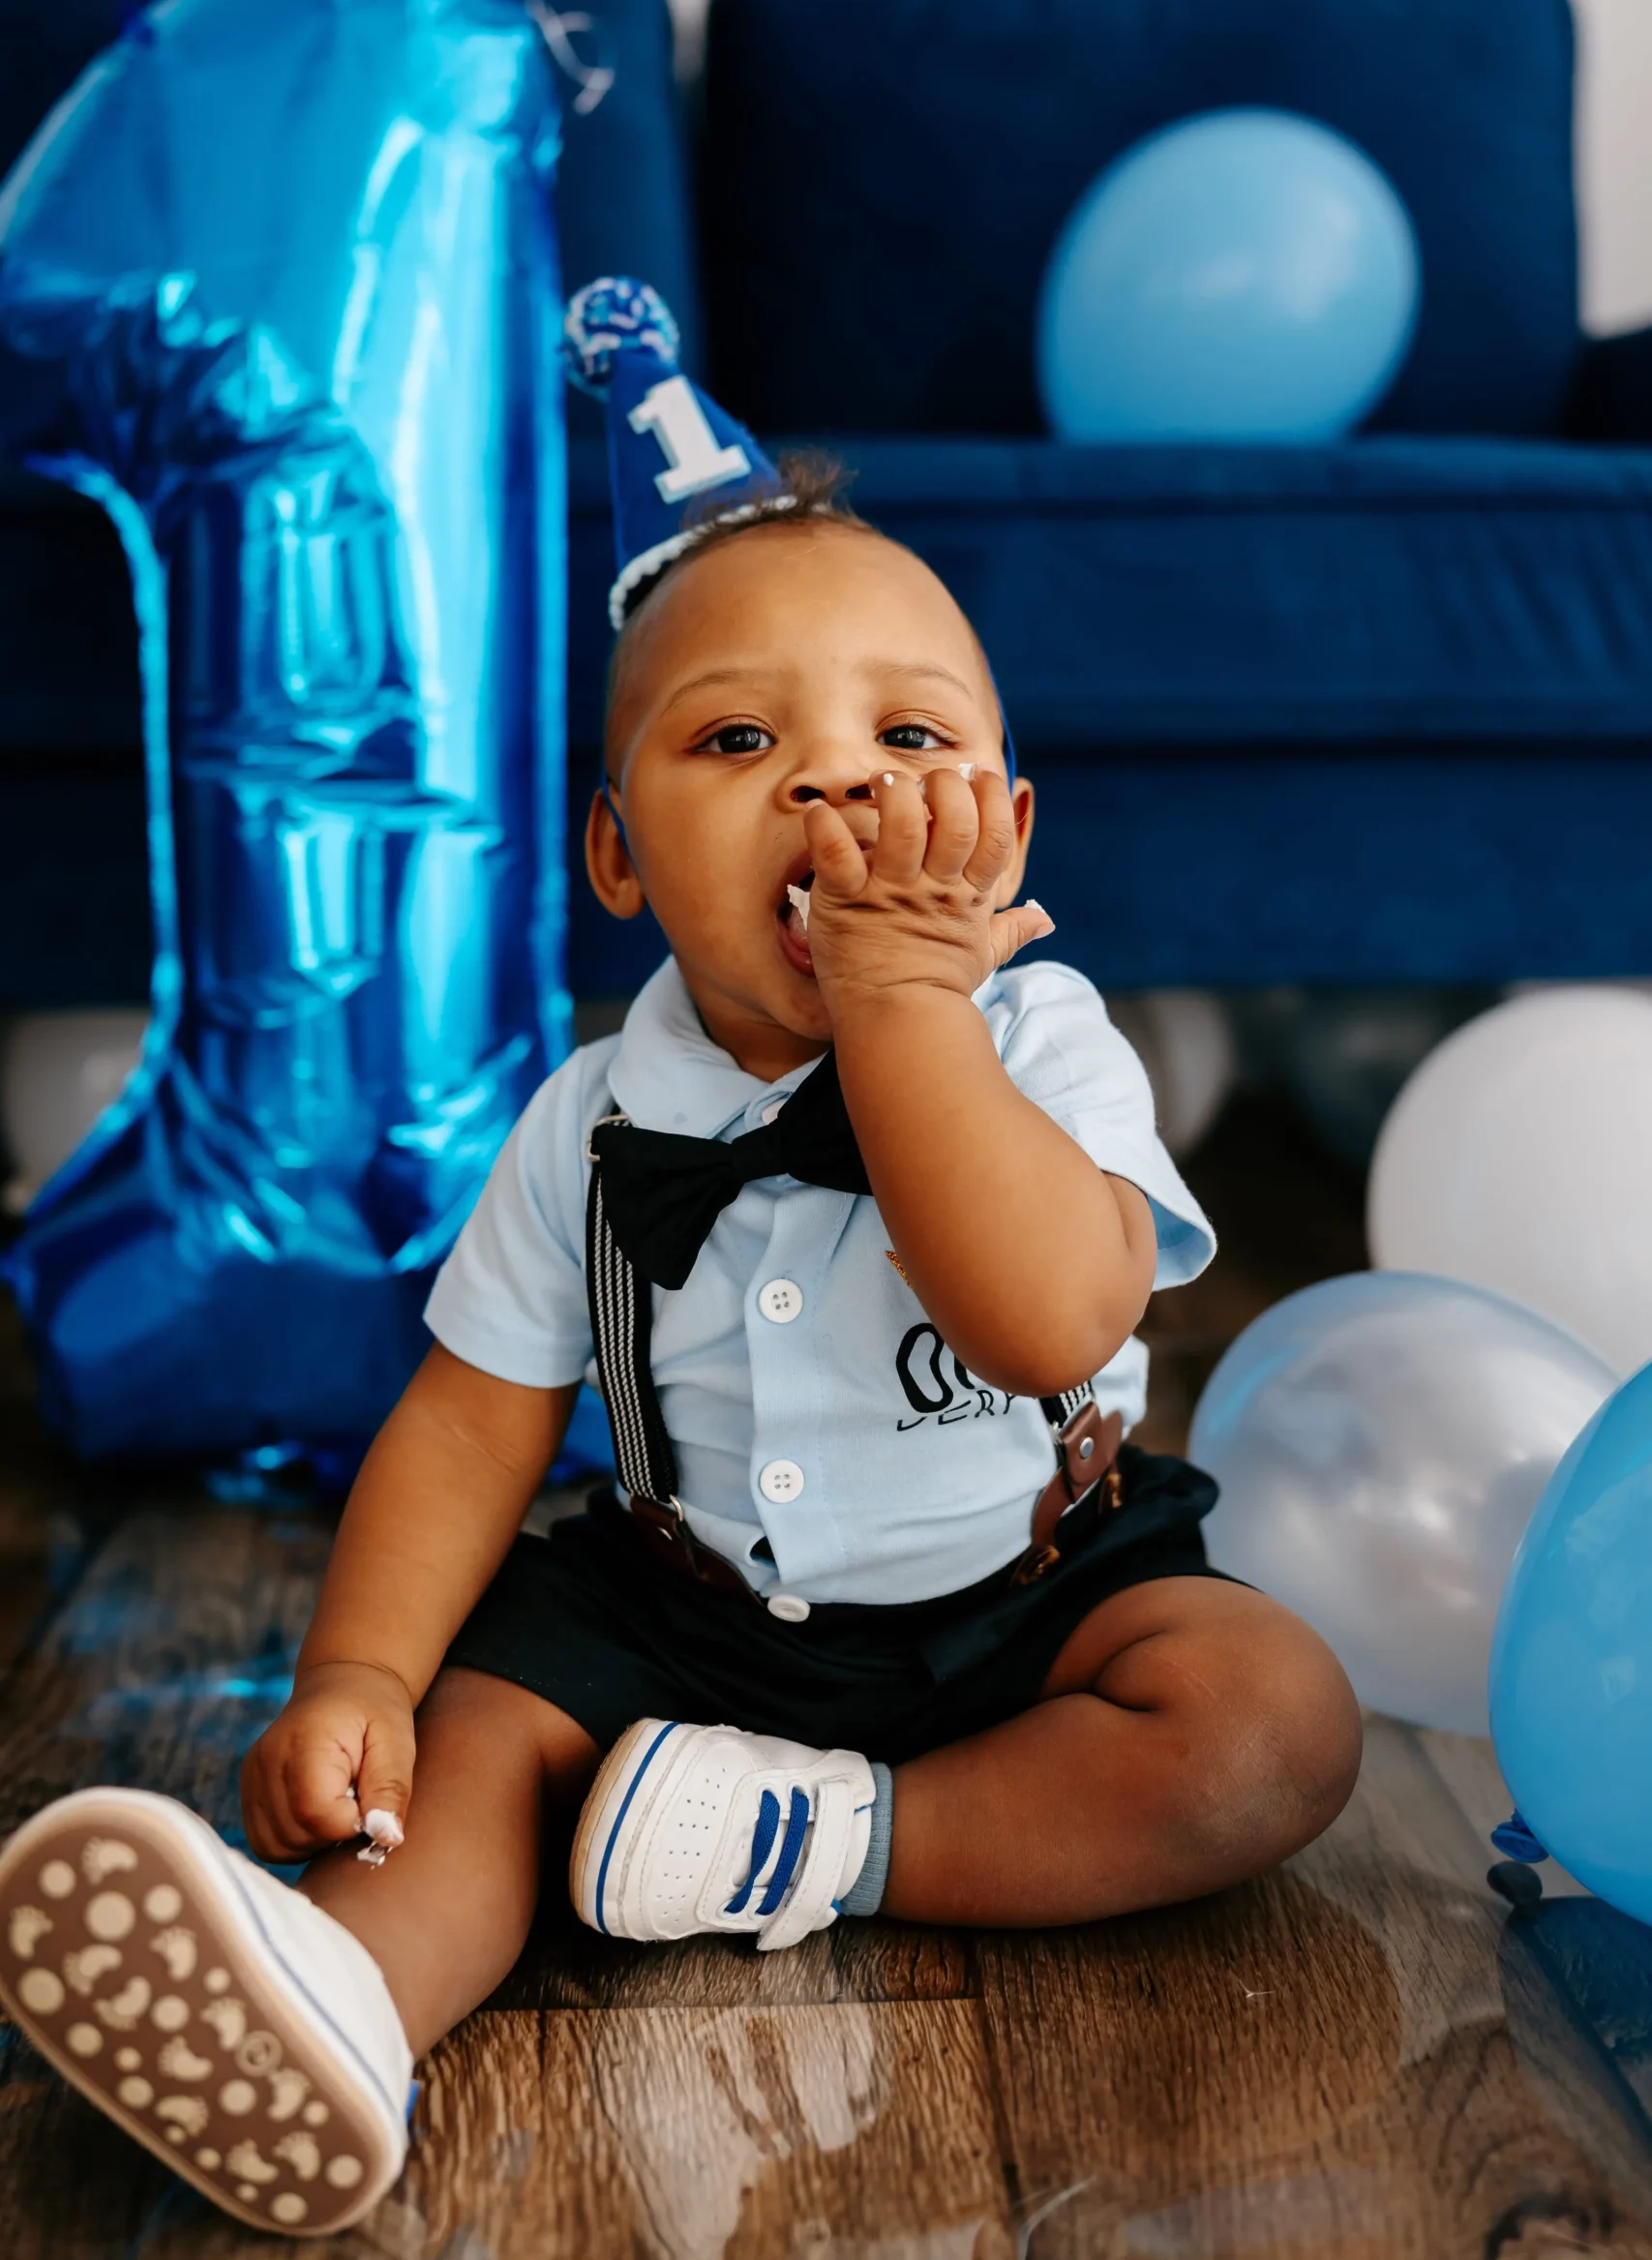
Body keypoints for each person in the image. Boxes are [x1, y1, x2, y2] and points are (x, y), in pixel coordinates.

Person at [0, 282, 1362, 2238]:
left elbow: (1045, 1317)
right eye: (736, 737)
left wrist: (910, 1013)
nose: (832, 782)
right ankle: (335, 2000)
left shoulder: (1045, 1045)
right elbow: (471, 1423)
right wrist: (358, 1672)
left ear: (1001, 827)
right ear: (620, 854)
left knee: (1267, 1724)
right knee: (474, 1743)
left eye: (906, 733)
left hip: (1025, 1596)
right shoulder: (588, 1119)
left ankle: (823, 1837)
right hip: (684, 1601)